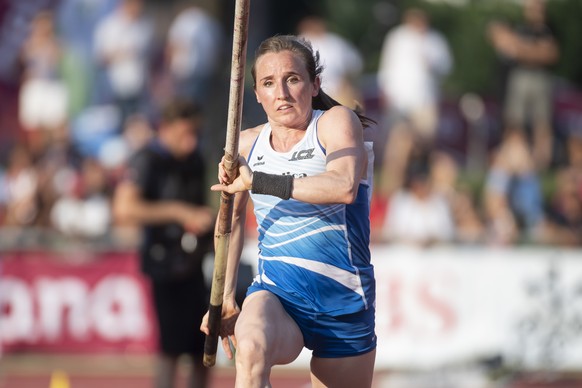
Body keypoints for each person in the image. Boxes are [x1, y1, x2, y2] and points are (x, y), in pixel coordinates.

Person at [200, 35, 377, 388]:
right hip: (278, 294)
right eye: (268, 83)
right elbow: (232, 222)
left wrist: (260, 182)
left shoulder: (334, 123)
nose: (280, 92)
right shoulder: (246, 144)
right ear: (256, 94)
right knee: (250, 349)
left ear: (314, 85)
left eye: (292, 79)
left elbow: (342, 186)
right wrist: (225, 298)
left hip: (342, 299)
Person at [113, 100, 215, 388]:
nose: (192, 141)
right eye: (185, 134)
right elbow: (124, 209)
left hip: (196, 263)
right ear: (166, 129)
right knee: (170, 349)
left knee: (202, 348)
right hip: (164, 264)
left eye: (196, 134)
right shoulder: (147, 160)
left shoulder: (195, 160)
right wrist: (180, 213)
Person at [377, 7, 452, 195]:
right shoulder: (397, 38)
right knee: (399, 148)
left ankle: (421, 189)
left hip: (424, 103)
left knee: (424, 148)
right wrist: (385, 93)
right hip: (400, 102)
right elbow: (387, 67)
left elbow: (446, 67)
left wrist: (431, 63)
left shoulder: (435, 41)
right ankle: (392, 192)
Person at [488, 0, 559, 171]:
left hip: (541, 79)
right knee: (515, 123)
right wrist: (536, 51)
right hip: (521, 79)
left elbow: (551, 54)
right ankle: (519, 163)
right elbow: (509, 45)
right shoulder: (521, 28)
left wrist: (525, 50)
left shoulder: (550, 29)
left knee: (542, 124)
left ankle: (541, 166)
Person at [297, 14, 364, 109]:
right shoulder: (299, 44)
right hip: (313, 96)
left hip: (339, 93)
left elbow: (354, 65)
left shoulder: (335, 41)